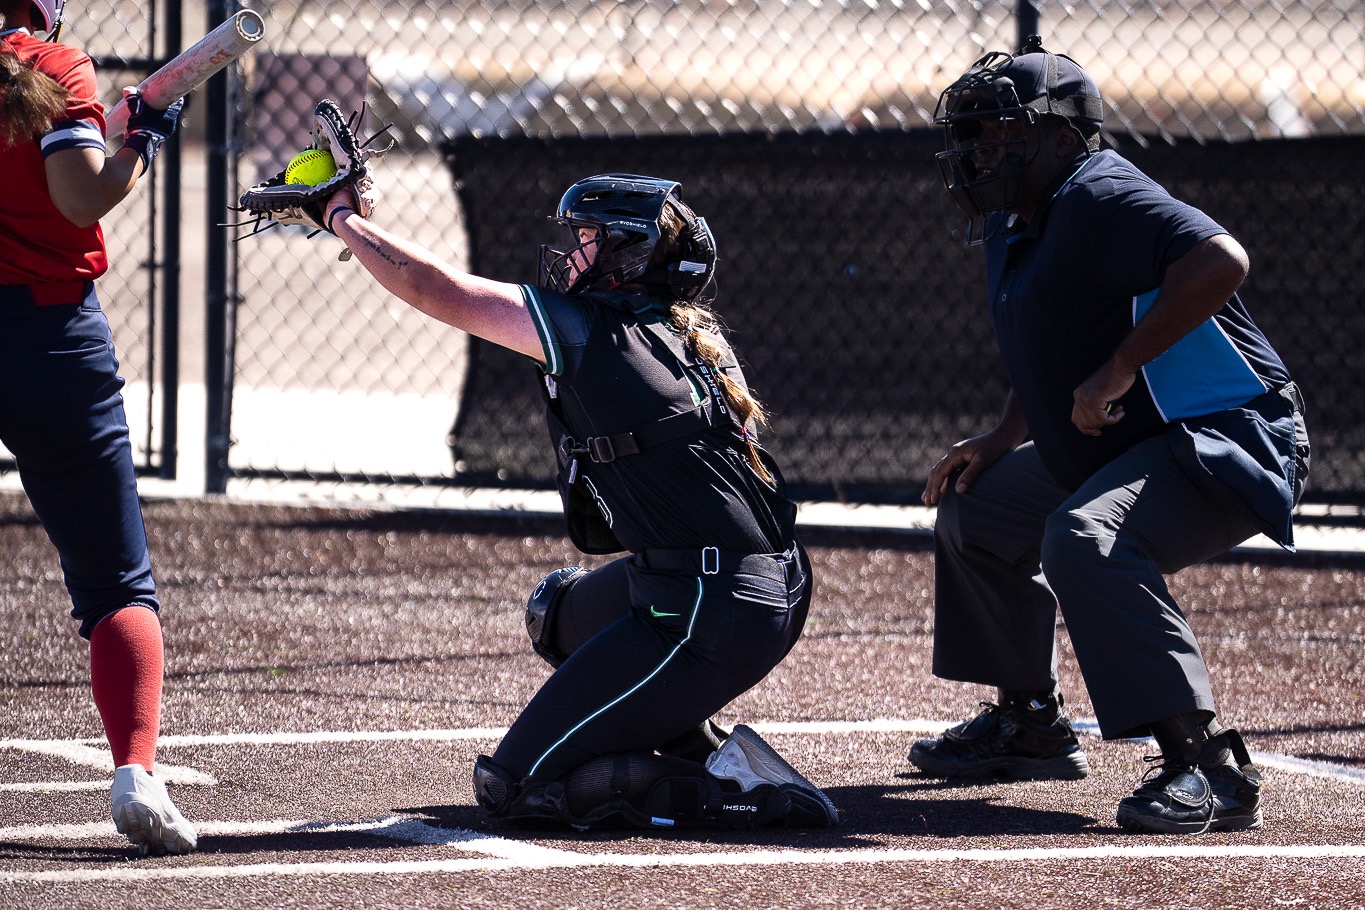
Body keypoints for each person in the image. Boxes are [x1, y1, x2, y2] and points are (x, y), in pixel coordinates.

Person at [310, 171, 837, 831]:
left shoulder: (594, 331)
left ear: (631, 252)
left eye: (588, 237)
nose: (573, 251)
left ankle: (733, 786)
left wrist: (342, 219)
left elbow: (435, 288)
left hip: (715, 605)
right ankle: (693, 739)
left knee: (517, 788)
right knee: (555, 613)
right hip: (729, 582)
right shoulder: (683, 332)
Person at [913, 36, 1310, 835]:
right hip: (1126, 441)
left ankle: (1205, 767)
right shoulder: (1014, 219)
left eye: (1000, 133)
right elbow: (1049, 340)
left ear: (1062, 138)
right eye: (973, 134)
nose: (979, 151)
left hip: (1226, 436)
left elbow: (1220, 258)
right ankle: (1029, 723)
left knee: (1085, 540)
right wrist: (999, 434)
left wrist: (1121, 367)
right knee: (976, 507)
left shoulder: (1099, 192)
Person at [1, 0, 195, 854]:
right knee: (117, 580)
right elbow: (79, 199)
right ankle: (135, 772)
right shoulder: (53, 67)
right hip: (50, 339)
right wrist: (141, 137)